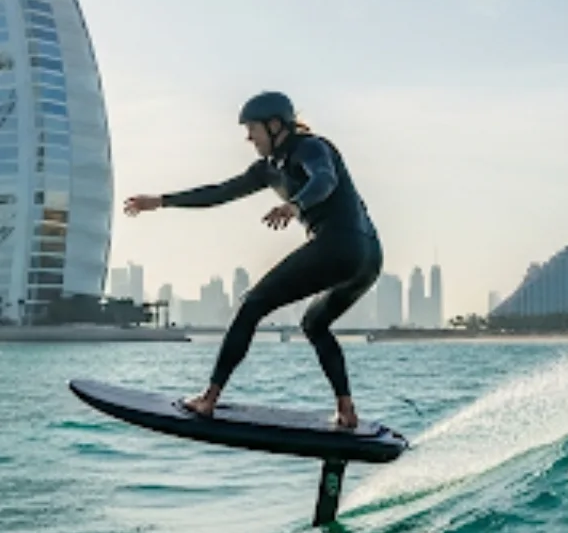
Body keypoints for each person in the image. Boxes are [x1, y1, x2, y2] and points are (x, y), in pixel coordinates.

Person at [124, 92, 382, 428]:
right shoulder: (266, 170)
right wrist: (161, 201)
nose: (248, 137)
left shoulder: (311, 147)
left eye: (252, 129)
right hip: (368, 258)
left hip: (340, 245)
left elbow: (325, 179)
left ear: (276, 125)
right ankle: (346, 411)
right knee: (314, 324)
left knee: (252, 304)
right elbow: (220, 192)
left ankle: (208, 399)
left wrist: (295, 205)